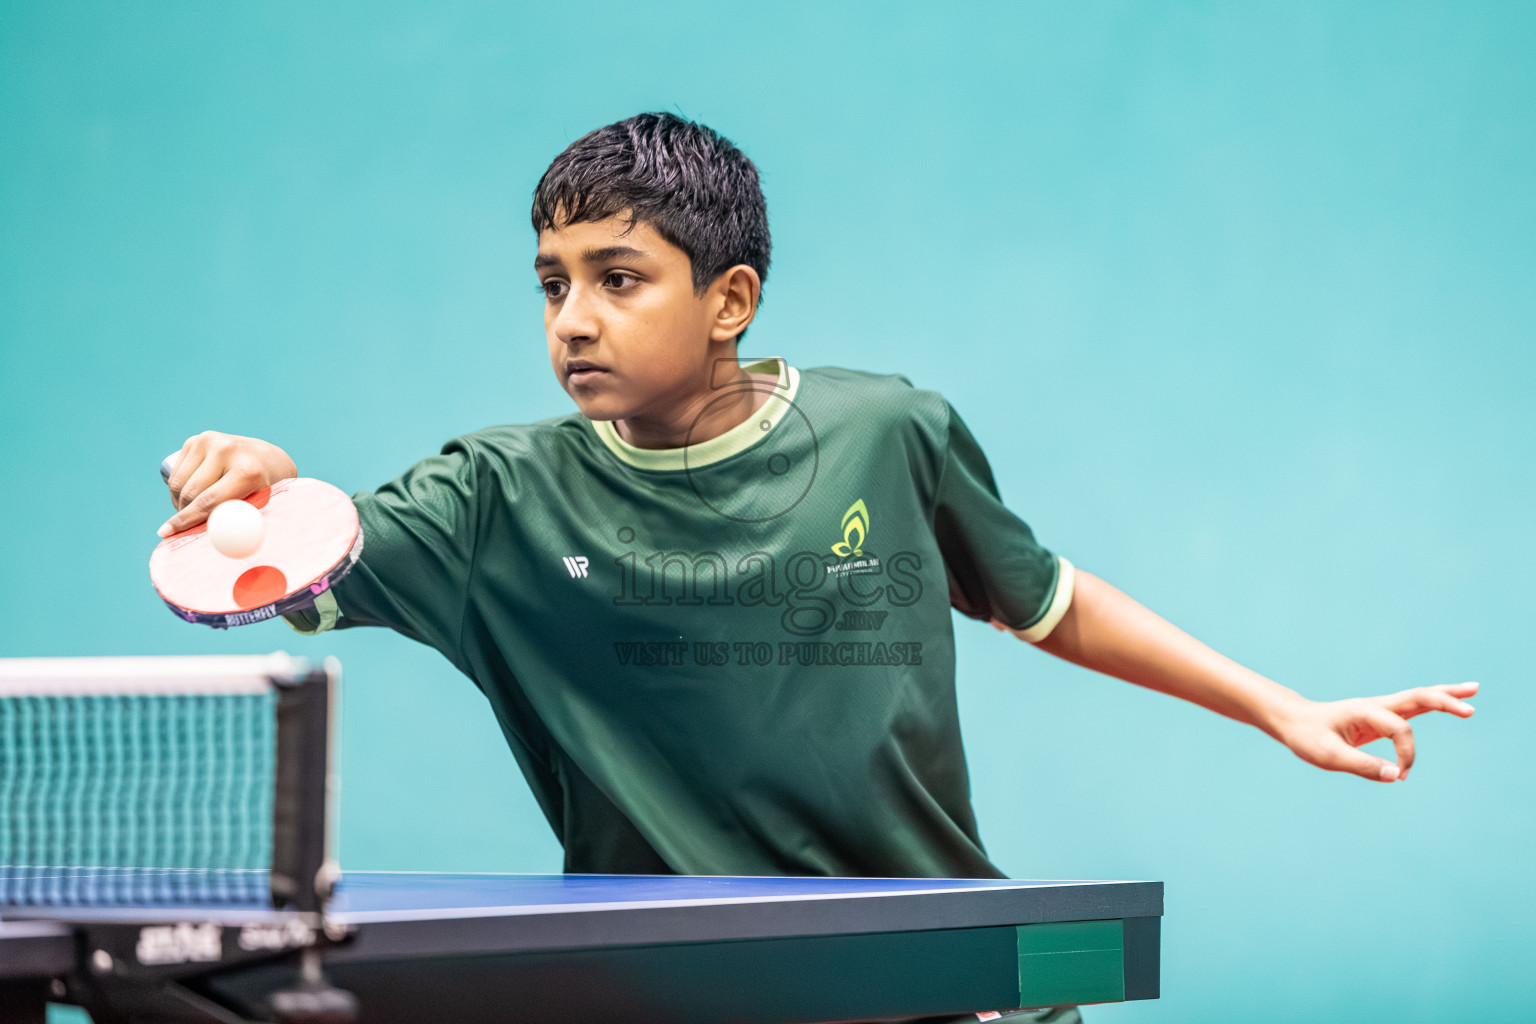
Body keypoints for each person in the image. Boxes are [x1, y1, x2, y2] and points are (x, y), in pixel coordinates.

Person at [157, 113, 1476, 1023]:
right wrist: (255, 498)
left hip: (933, 981)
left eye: (619, 277)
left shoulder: (887, 434)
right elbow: (282, 572)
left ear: (729, 300)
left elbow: (1049, 601)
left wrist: (1278, 704)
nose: (573, 319)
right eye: (552, 282)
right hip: (672, 994)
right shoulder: (494, 498)